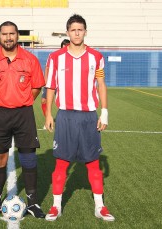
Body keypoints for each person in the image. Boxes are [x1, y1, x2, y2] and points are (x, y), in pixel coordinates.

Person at [44, 14, 115, 222]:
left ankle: (100, 207)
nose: (76, 33)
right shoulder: (56, 58)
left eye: (80, 29)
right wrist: (48, 113)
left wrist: (105, 112)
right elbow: (51, 86)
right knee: (61, 164)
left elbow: (101, 84)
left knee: (93, 164)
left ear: (85, 31)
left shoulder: (96, 57)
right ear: (67, 32)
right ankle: (56, 206)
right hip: (65, 116)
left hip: (88, 118)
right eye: (73, 30)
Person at [0, 21, 46, 219]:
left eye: (12, 34)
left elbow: (36, 87)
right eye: (4, 34)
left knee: (28, 157)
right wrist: (0, 103)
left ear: (17, 36)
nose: (8, 37)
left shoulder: (30, 60)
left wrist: (23, 101)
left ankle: (33, 203)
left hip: (23, 114)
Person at [41, 39, 70, 128]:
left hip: (63, 84)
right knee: (44, 100)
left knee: (63, 102)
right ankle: (48, 120)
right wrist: (45, 81)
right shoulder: (53, 55)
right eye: (63, 48)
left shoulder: (71, 57)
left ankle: (64, 121)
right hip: (51, 82)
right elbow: (47, 67)